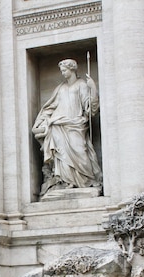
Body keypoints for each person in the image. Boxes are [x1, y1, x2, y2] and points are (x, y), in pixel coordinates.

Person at [32, 58, 102, 195]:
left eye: (65, 70)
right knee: (62, 155)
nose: (63, 73)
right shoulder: (60, 88)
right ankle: (66, 181)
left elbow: (90, 108)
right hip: (58, 125)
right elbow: (50, 107)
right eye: (62, 71)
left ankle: (84, 180)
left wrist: (92, 88)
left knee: (80, 150)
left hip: (76, 124)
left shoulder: (81, 85)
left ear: (72, 69)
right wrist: (42, 122)